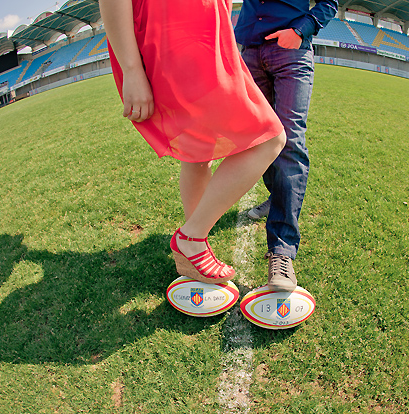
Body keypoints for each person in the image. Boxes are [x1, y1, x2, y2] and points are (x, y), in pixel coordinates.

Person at [100, 0, 286, 284]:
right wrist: (131, 69)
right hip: (176, 40)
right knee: (270, 139)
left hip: (207, 44)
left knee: (198, 154)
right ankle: (191, 238)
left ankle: (196, 248)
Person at [235, 0, 338, 291]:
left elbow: (329, 2)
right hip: (250, 53)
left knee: (289, 142)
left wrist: (300, 30)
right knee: (260, 140)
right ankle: (275, 197)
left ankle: (282, 251)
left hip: (291, 50)